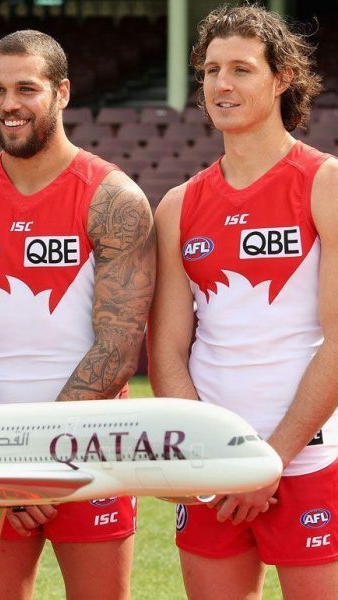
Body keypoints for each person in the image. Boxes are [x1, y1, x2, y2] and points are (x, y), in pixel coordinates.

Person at [0, 30, 155, 600]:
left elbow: (120, 347)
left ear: (62, 92)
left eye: (27, 88)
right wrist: (0, 469)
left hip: (89, 454)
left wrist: (41, 464)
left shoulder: (114, 197)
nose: (9, 104)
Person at [149, 5, 338, 599]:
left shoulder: (324, 182)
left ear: (282, 78)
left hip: (309, 459)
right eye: (210, 70)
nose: (222, 85)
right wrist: (205, 455)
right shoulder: (178, 205)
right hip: (215, 466)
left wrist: (270, 461)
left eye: (241, 69)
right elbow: (168, 347)